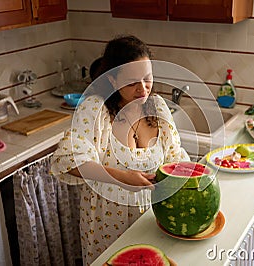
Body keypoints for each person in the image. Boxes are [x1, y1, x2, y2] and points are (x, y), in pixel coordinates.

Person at [50, 35, 189, 265]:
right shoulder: (95, 109)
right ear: (113, 81)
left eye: (147, 78)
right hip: (106, 221)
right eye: (132, 82)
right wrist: (122, 177)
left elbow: (174, 157)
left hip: (150, 218)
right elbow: (69, 160)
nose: (142, 88)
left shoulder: (158, 106)